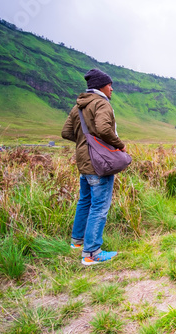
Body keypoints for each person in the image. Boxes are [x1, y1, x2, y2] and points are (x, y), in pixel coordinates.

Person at [61, 68, 126, 265]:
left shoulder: (78, 106)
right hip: (100, 164)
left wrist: (84, 143)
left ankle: (77, 242)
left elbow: (66, 132)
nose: (112, 89)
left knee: (85, 202)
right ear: (101, 86)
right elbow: (104, 128)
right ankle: (92, 254)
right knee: (99, 207)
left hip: (84, 163)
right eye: (109, 85)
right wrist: (119, 145)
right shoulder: (101, 104)